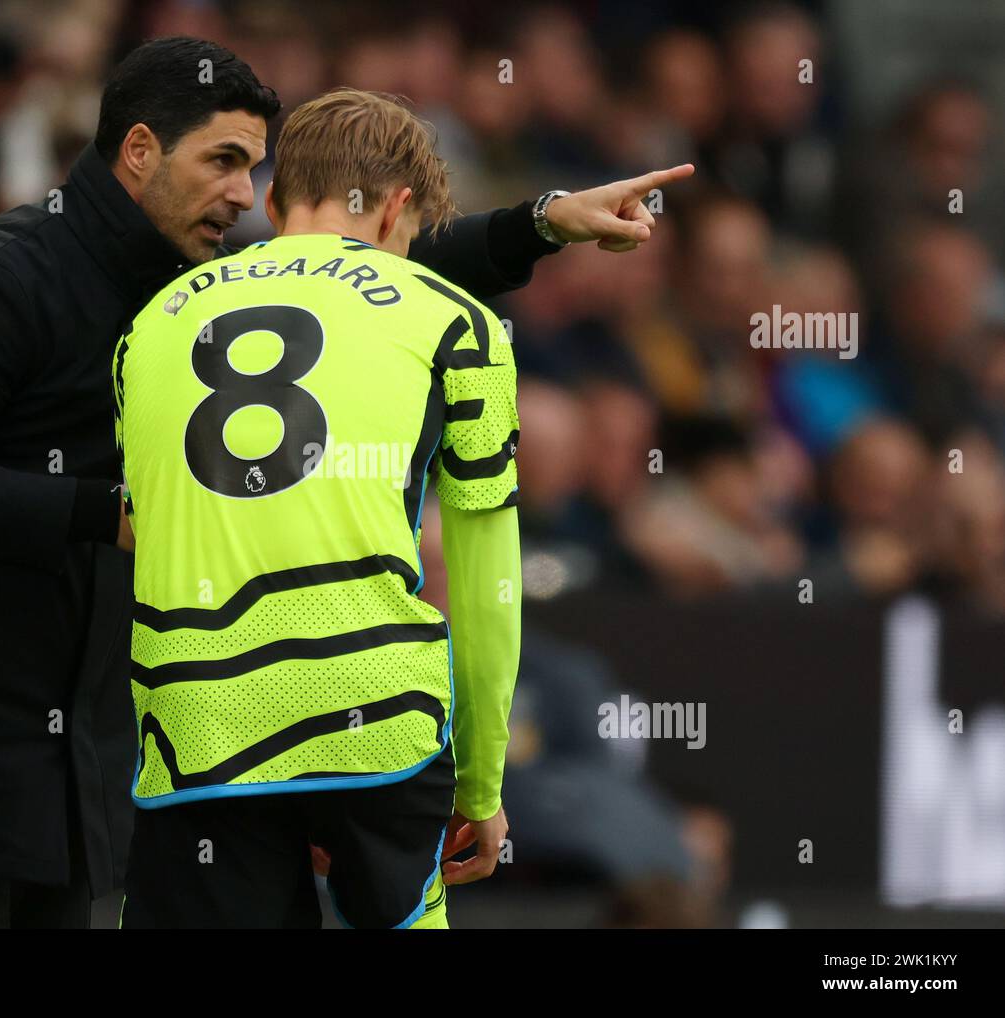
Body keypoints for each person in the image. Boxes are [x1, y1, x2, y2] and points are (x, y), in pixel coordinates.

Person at [0, 34, 691, 929]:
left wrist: (542, 224)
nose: (243, 193)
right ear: (140, 150)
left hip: (74, 779)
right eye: (223, 161)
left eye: (255, 167)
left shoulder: (192, 287)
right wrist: (103, 511)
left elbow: (368, 272)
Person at [114, 87, 688, 928]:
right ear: (400, 209)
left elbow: (145, 536)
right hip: (376, 719)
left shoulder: (151, 325)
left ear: (273, 203)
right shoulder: (459, 323)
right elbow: (490, 584)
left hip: (195, 723)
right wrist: (482, 784)